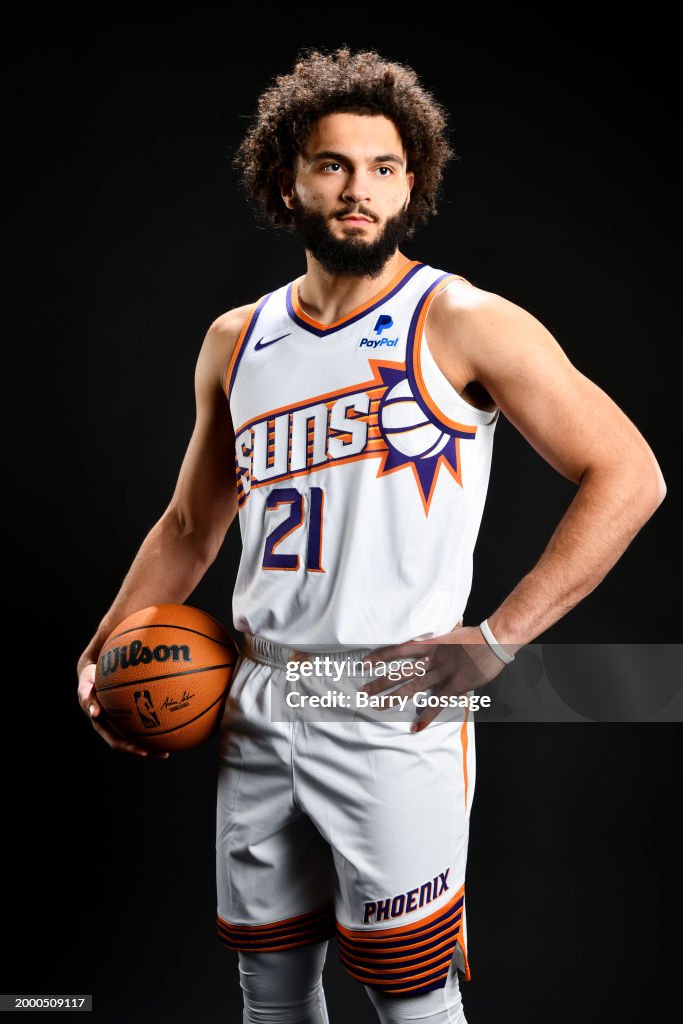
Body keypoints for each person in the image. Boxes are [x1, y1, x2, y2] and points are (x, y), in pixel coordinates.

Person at [76, 47, 666, 1024]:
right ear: (286, 180)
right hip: (254, 688)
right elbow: (190, 522)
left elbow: (628, 475)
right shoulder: (236, 339)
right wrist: (104, 645)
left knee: (410, 995)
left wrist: (495, 640)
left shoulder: (460, 319)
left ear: (411, 181)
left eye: (383, 166)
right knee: (268, 986)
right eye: (332, 164)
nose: (358, 189)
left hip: (392, 693)